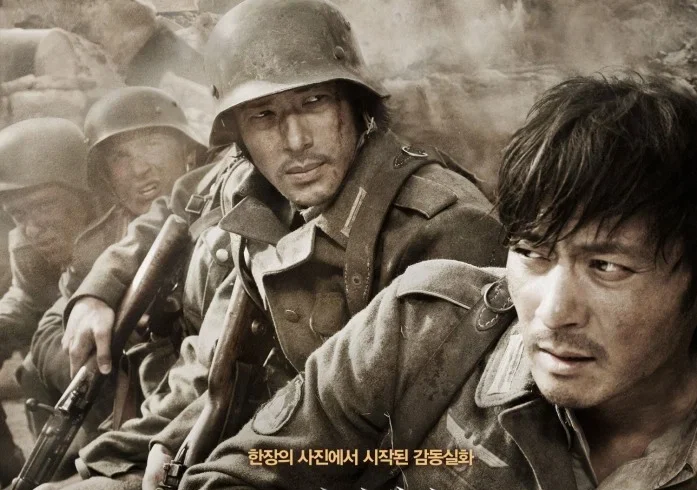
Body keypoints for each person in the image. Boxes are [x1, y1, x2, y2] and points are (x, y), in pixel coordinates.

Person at [54, 1, 507, 488]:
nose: (294, 140)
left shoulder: (445, 228)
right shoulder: (262, 203)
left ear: (356, 106)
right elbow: (227, 374)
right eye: (264, 116)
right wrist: (163, 443)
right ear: (239, 138)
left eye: (314, 102)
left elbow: (428, 453)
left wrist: (221, 473)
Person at [180, 73, 697, 490]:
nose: (553, 312)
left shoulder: (436, 219)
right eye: (532, 253)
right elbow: (243, 473)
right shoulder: (423, 326)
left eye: (606, 267)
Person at [20, 87, 204, 444]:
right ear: (106, 174)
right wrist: (107, 351)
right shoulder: (100, 241)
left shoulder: (213, 207)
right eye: (120, 156)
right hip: (133, 414)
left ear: (188, 151)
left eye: (152, 143)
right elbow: (50, 329)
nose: (139, 168)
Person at [0, 117, 93, 486]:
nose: (32, 228)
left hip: (113, 380)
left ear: (84, 194)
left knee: (35, 368)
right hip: (63, 368)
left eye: (44, 206)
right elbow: (26, 299)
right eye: (19, 214)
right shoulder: (27, 245)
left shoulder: (126, 231)